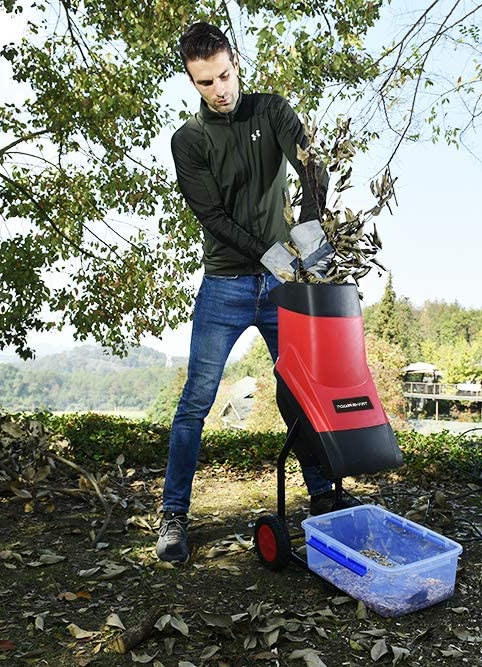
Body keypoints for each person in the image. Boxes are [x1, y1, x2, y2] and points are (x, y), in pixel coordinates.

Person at [156, 22, 355, 563]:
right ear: (191, 82)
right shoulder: (189, 141)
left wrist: (310, 225)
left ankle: (322, 499)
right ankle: (174, 515)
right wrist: (267, 251)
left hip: (280, 286)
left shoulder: (273, 111)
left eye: (223, 75)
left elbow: (312, 163)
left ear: (235, 61)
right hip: (223, 285)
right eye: (204, 83)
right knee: (196, 400)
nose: (219, 90)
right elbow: (213, 218)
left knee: (299, 390)